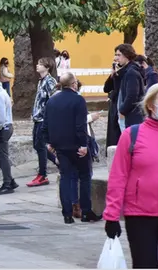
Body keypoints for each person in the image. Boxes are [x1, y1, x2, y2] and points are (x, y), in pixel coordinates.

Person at [104, 82, 158, 268]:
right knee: (144, 264)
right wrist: (111, 216)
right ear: (151, 105)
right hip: (140, 216)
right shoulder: (132, 135)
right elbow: (118, 178)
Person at [43, 72, 100, 224]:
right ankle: (86, 211)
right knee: (85, 176)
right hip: (76, 145)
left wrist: (48, 142)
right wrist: (83, 144)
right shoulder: (78, 100)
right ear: (73, 84)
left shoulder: (52, 101)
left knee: (65, 177)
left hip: (59, 146)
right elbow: (80, 124)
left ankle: (67, 214)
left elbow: (46, 124)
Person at [27, 57, 59, 187]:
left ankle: (43, 175)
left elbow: (54, 99)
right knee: (37, 145)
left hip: (43, 119)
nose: (37, 65)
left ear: (47, 67)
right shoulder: (41, 81)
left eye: (40, 64)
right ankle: (58, 162)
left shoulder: (50, 81)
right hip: (37, 118)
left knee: (40, 146)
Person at [116, 43, 146, 131]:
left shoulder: (131, 73)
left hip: (134, 116)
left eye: (119, 55)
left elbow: (132, 95)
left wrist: (122, 110)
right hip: (133, 115)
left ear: (126, 55)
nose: (116, 58)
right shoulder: (128, 71)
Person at [104, 60, 122, 150]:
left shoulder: (128, 74)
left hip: (121, 105)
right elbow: (106, 88)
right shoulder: (114, 76)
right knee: (113, 132)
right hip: (114, 105)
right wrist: (112, 76)